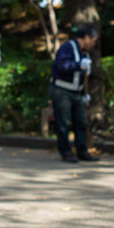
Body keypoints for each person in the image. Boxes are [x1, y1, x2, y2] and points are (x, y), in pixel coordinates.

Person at [49, 24, 100, 163]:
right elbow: (61, 65)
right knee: (63, 122)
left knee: (81, 122)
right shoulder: (67, 47)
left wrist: (84, 93)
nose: (93, 43)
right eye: (93, 40)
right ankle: (66, 152)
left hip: (77, 92)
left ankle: (82, 151)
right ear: (86, 37)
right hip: (62, 91)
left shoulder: (84, 52)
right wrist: (78, 65)